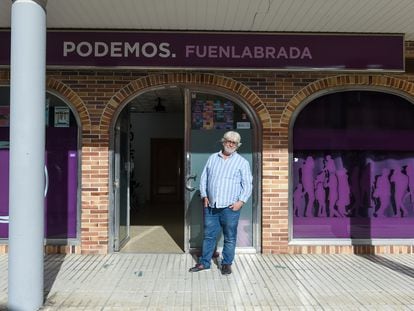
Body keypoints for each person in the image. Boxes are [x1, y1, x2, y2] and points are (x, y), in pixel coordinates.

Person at [189, 131, 253, 275]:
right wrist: (204, 195)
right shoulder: (213, 158)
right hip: (211, 206)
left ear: (238, 146)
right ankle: (204, 263)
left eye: (234, 143)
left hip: (230, 208)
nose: (230, 144)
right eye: (228, 141)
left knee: (230, 237)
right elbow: (204, 178)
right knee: (208, 235)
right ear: (223, 141)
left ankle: (226, 264)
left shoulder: (242, 162)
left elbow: (248, 184)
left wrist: (241, 202)